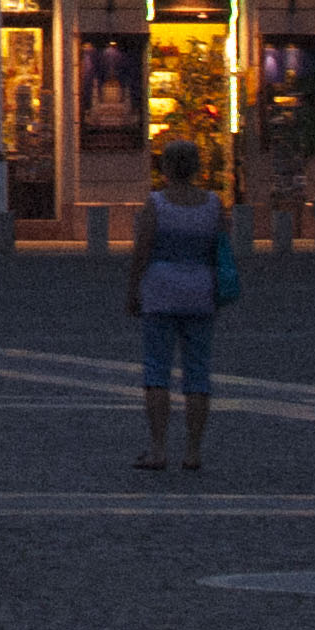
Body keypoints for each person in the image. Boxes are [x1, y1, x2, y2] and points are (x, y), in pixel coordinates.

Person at [130, 136, 232, 474]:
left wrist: (133, 289)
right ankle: (193, 451)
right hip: (200, 291)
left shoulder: (156, 204)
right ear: (197, 168)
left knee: (156, 371)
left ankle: (158, 448)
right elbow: (222, 248)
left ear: (167, 168)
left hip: (160, 291)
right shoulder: (213, 204)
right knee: (198, 372)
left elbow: (142, 250)